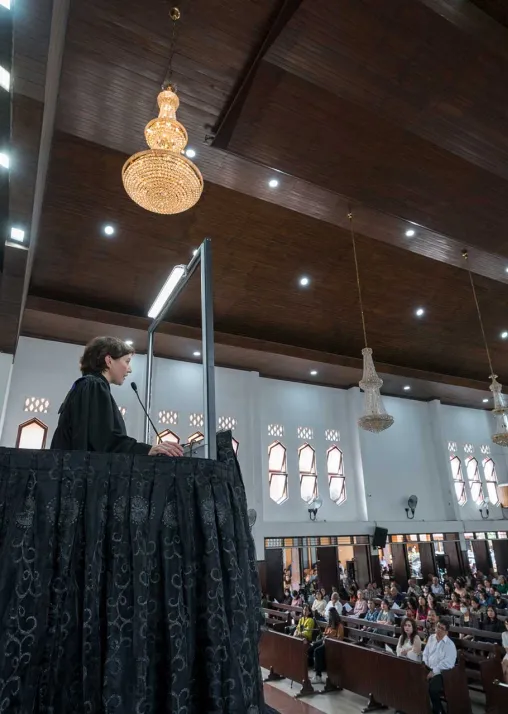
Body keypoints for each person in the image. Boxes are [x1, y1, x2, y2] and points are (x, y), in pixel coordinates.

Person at [51, 336, 183, 457]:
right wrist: (147, 450)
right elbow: (104, 439)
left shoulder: (85, 385)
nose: (129, 369)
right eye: (127, 361)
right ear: (109, 360)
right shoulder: (94, 385)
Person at [423, 621, 457, 714]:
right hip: (427, 667)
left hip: (442, 673)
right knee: (415, 682)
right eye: (438, 627)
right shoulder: (431, 638)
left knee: (432, 689)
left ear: (446, 632)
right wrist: (425, 664)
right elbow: (425, 653)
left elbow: (448, 663)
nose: (438, 630)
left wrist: (433, 671)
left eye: (442, 628)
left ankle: (438, 710)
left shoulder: (449, 644)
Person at [311, 607, 344, 683]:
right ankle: (315, 667)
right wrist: (324, 635)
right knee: (313, 645)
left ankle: (318, 675)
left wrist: (330, 637)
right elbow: (325, 633)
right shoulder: (329, 623)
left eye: (330, 615)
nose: (328, 617)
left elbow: (340, 639)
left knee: (317, 651)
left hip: (333, 644)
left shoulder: (339, 625)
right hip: (325, 640)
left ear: (334, 615)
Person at [502, 618, 508, 683]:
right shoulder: (504, 634)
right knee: (504, 664)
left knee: (505, 663)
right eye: (506, 624)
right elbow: (507, 650)